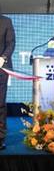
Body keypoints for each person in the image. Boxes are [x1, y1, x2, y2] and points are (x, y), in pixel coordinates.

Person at [0, 14, 15, 150]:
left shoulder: (6, 21)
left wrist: (3, 57)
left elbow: (11, 43)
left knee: (0, 103)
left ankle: (0, 137)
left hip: (1, 68)